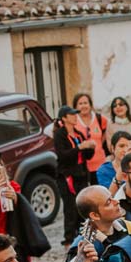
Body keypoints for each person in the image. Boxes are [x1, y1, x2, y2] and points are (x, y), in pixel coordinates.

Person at [52, 104, 96, 244]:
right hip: (67, 176)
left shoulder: (78, 134)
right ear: (64, 118)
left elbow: (87, 157)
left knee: (82, 204)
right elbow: (63, 155)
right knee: (70, 206)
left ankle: (83, 233)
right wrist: (79, 147)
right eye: (72, 115)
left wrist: (90, 148)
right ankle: (69, 237)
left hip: (81, 174)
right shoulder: (60, 135)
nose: (75, 117)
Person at [72, 93, 109, 185]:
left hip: (100, 163)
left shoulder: (100, 118)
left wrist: (100, 142)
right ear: (75, 107)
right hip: (82, 166)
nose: (83, 106)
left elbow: (106, 131)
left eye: (85, 103)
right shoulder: (73, 120)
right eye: (80, 104)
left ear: (90, 105)